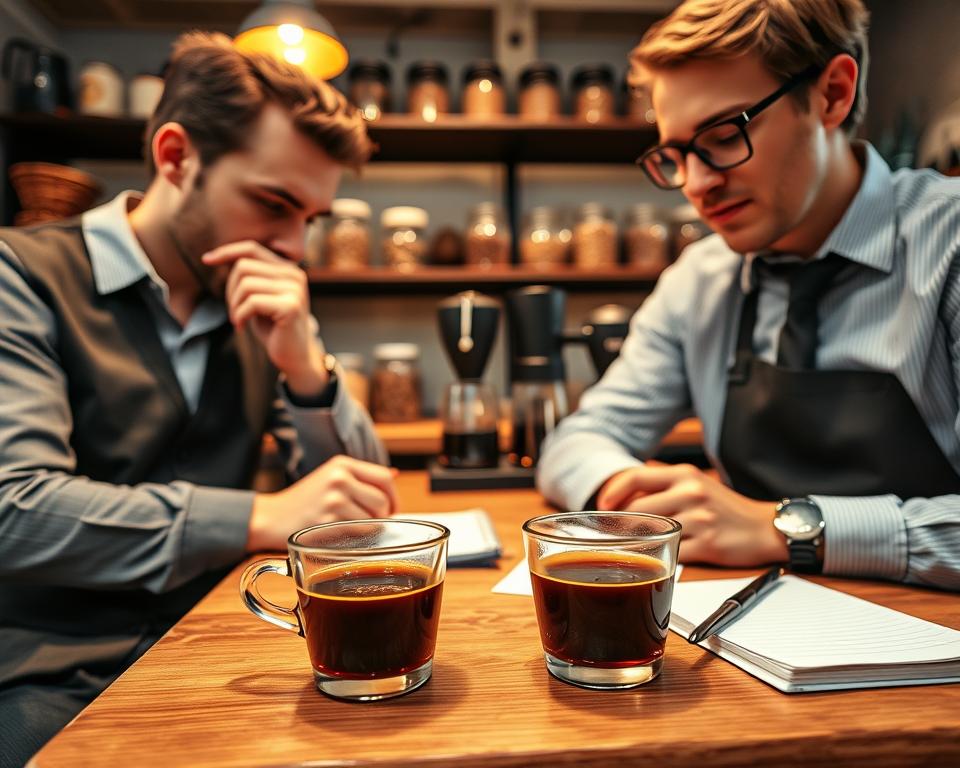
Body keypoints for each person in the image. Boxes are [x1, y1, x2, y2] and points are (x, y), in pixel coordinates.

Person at [0, 32, 396, 764]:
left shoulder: (254, 296)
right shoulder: (20, 276)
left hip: (227, 648)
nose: (295, 248)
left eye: (311, 219)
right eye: (274, 203)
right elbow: (14, 512)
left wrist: (305, 368)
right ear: (176, 156)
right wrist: (259, 516)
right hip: (52, 677)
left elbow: (364, 509)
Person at [538, 0, 960, 591]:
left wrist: (788, 530)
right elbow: (578, 440)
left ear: (832, 95)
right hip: (747, 641)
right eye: (675, 155)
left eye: (722, 134)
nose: (696, 184)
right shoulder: (700, 279)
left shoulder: (948, 246)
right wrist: (625, 493)